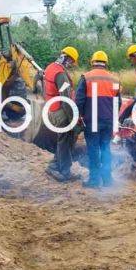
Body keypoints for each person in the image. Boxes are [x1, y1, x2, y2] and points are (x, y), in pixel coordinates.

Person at [75, 51, 121, 188]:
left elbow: (79, 99)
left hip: (92, 121)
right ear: (106, 63)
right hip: (108, 121)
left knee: (93, 149)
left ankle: (94, 180)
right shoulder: (114, 80)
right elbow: (117, 103)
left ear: (92, 62)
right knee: (106, 148)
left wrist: (78, 116)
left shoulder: (86, 77)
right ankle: (107, 179)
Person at [43, 46, 81, 182]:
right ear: (67, 59)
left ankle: (55, 165)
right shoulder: (60, 74)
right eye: (72, 62)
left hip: (51, 109)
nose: (71, 66)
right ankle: (64, 170)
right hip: (60, 111)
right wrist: (74, 119)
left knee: (63, 139)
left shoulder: (50, 68)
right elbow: (66, 100)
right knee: (66, 139)